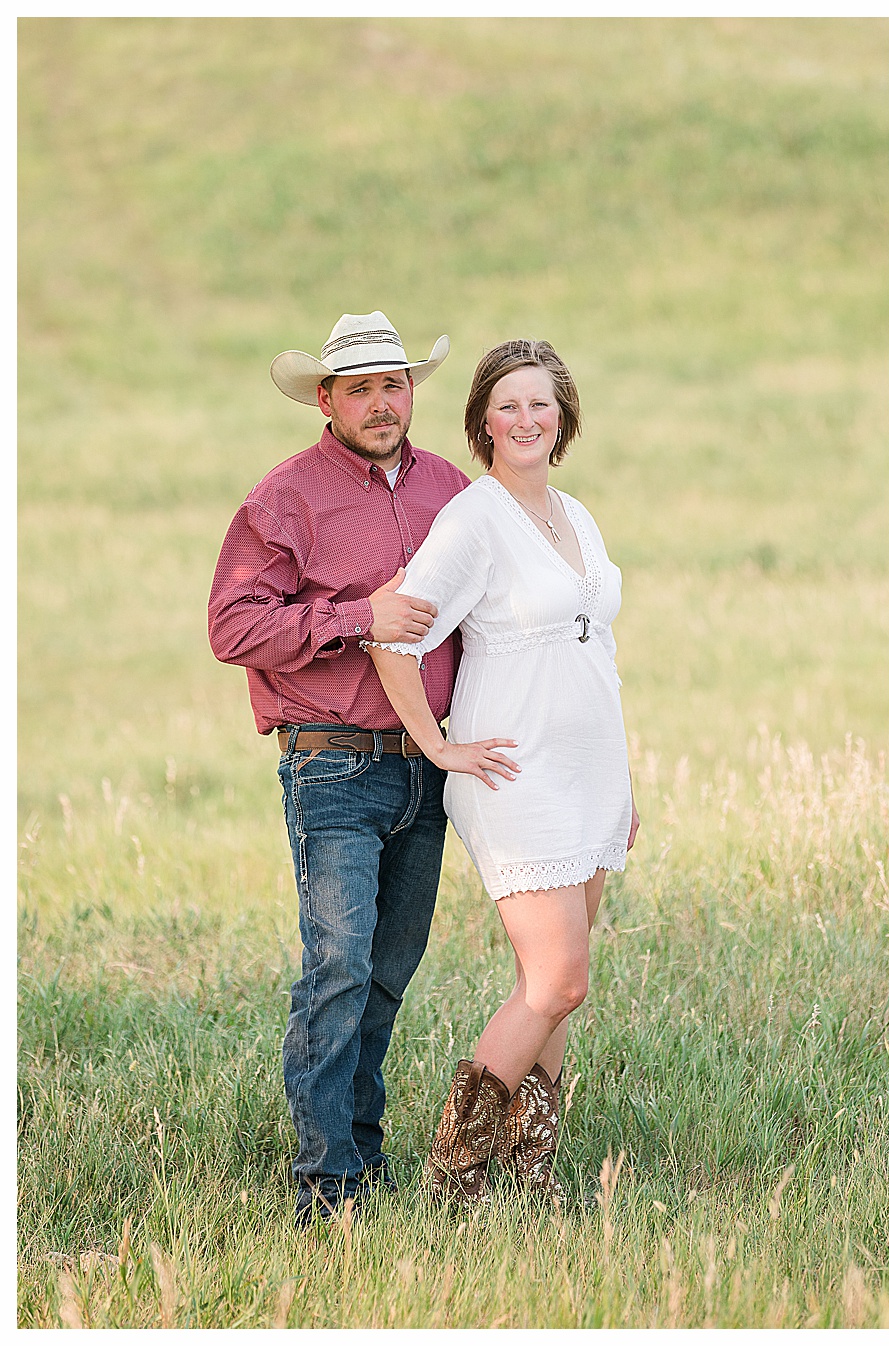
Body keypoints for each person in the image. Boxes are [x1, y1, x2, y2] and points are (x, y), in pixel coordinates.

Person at [207, 311, 468, 1227]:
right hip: (334, 765)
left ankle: (361, 1149)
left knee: (389, 971)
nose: (381, 402)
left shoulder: (452, 489)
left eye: (393, 384)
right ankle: (327, 1185)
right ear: (325, 399)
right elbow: (232, 629)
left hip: (430, 769)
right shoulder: (286, 499)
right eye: (359, 388)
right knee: (338, 969)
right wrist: (358, 614)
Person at [366, 338, 639, 1204]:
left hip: (590, 773)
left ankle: (534, 1169)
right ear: (484, 420)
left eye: (541, 403)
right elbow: (392, 635)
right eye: (509, 405)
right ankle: (454, 1171)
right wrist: (439, 744)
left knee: (552, 992)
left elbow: (599, 652)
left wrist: (626, 786)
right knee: (560, 978)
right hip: (514, 775)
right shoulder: (475, 519)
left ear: (564, 416)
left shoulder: (578, 515)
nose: (527, 419)